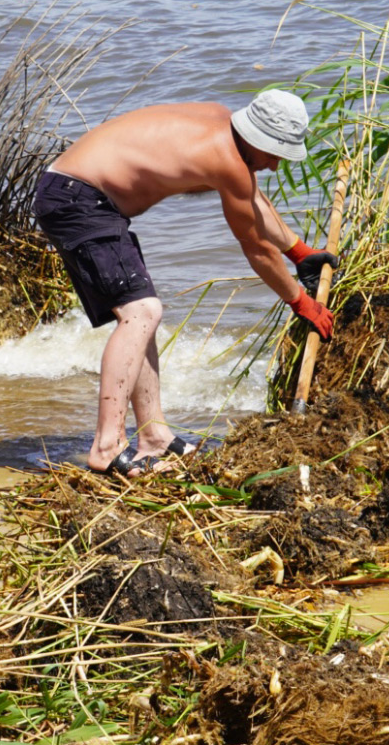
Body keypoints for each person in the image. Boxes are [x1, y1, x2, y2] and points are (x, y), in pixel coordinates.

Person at [32, 89, 339, 477]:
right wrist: (301, 303)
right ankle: (106, 447)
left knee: (140, 314)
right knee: (142, 312)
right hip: (77, 199)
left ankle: (154, 436)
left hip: (80, 196)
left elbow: (252, 199)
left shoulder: (223, 124)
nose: (276, 166)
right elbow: (256, 248)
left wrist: (299, 252)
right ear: (256, 137)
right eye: (275, 154)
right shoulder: (226, 157)